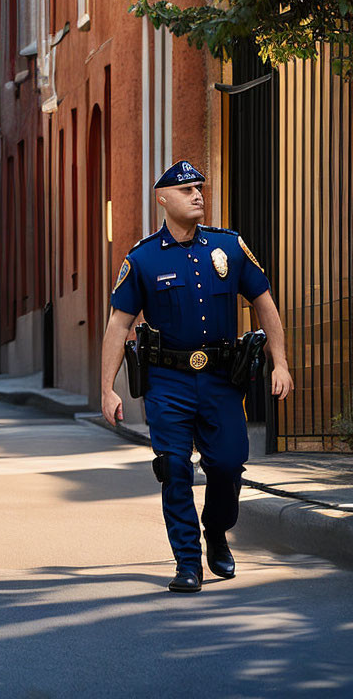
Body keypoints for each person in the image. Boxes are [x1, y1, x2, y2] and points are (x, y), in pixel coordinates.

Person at [100, 160, 294, 592]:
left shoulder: (228, 247)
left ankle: (217, 532)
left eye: (199, 188)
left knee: (227, 466)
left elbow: (265, 302)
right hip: (167, 383)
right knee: (174, 468)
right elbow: (118, 325)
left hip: (223, 379)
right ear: (163, 199)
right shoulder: (144, 257)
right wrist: (107, 389)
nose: (197, 195)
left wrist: (280, 362)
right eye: (186, 190)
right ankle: (187, 562)